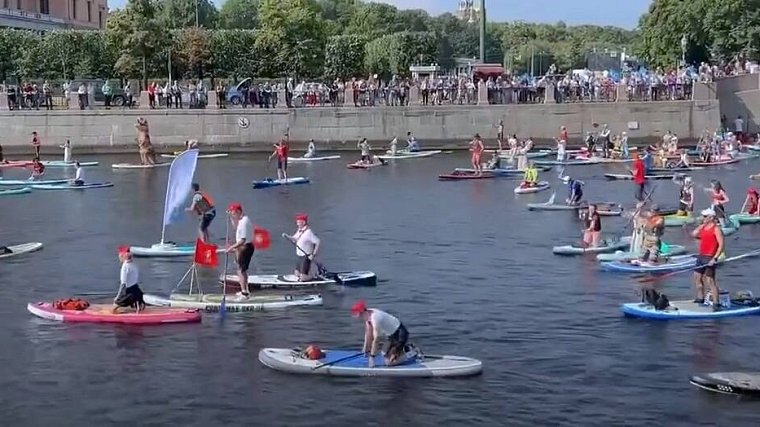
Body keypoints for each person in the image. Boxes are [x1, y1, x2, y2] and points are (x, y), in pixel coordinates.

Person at [351, 300, 410, 368]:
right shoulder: (367, 314)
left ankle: (408, 353)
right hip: (391, 335)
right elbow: (368, 334)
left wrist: (372, 357)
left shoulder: (375, 318)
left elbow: (376, 339)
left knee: (388, 363)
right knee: (383, 353)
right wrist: (365, 349)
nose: (357, 317)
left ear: (362, 312)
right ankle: (401, 350)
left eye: (357, 314)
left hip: (400, 334)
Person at [692, 208, 724, 311]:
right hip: (701, 256)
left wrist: (715, 258)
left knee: (710, 280)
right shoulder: (703, 227)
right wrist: (701, 225)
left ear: (711, 217)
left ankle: (716, 303)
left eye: (705, 216)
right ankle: (700, 298)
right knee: (697, 277)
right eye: (703, 216)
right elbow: (694, 234)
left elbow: (721, 245)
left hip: (710, 257)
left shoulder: (716, 229)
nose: (703, 218)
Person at [226, 203, 254, 300]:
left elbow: (242, 240)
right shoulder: (241, 220)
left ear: (238, 212)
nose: (232, 214)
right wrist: (230, 218)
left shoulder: (245, 222)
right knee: (241, 269)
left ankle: (244, 293)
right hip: (242, 247)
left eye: (233, 213)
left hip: (245, 247)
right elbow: (236, 228)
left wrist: (231, 248)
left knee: (241, 270)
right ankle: (245, 290)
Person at [282, 213, 321, 282]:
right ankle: (305, 276)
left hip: (306, 256)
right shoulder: (299, 230)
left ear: (303, 222)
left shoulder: (308, 232)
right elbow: (294, 238)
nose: (297, 224)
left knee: (302, 278)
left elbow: (317, 242)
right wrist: (287, 236)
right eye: (297, 222)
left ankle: (313, 277)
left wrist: (313, 254)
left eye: (298, 222)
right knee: (296, 274)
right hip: (299, 256)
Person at [112, 246, 146, 314]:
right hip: (137, 291)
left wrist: (117, 297)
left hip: (130, 292)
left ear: (122, 256)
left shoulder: (125, 267)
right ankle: (138, 307)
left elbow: (123, 284)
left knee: (115, 305)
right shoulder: (134, 264)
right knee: (139, 306)